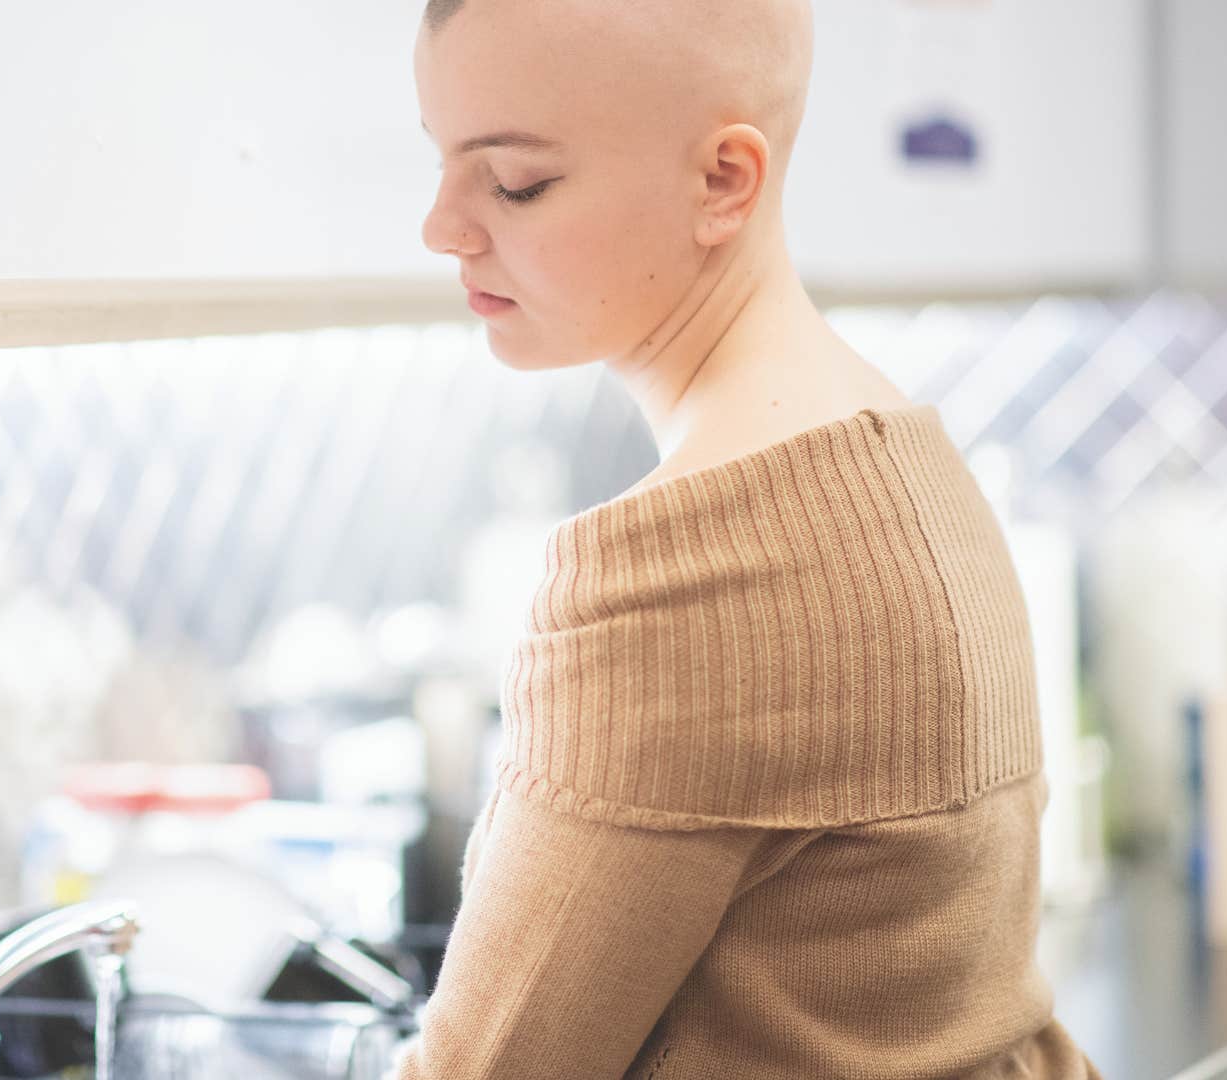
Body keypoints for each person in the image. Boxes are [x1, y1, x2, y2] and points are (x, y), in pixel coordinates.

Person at [394, 0, 1103, 1076]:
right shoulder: (910, 457)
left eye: (514, 181)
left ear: (724, 181)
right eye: (443, 161)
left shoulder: (680, 576)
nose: (443, 225)